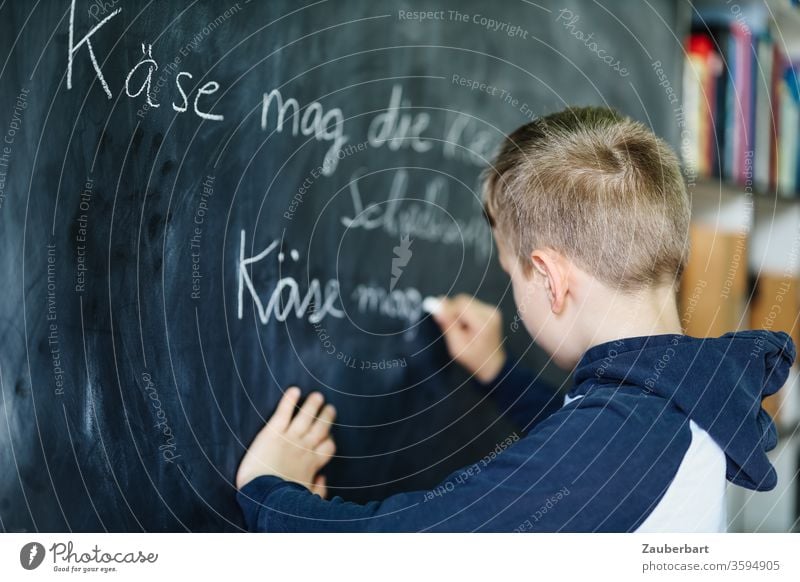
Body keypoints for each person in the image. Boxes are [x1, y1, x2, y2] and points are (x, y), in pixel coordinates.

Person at [235, 106, 795, 532]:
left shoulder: (605, 453)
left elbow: (400, 544)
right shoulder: (687, 395)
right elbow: (583, 429)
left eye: (512, 272)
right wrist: (501, 373)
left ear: (550, 279)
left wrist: (268, 489)